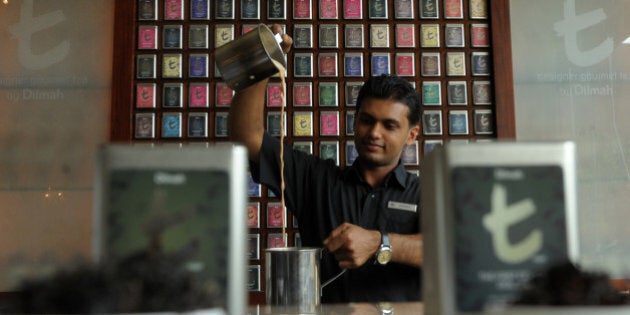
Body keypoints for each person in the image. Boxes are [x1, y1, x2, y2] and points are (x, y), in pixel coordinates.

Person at [228, 25, 422, 303]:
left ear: (411, 135)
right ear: (355, 122)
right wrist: (262, 60)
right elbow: (247, 136)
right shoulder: (317, 180)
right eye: (367, 120)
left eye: (389, 125)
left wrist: (379, 243)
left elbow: (452, 250)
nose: (374, 133)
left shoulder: (426, 194)